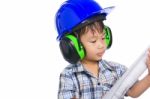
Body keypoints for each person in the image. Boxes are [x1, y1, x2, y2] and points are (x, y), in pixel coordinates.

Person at [55, 0, 150, 99]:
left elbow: (133, 92)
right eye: (93, 41)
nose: (101, 45)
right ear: (72, 45)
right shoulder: (69, 75)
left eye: (103, 38)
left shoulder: (116, 70)